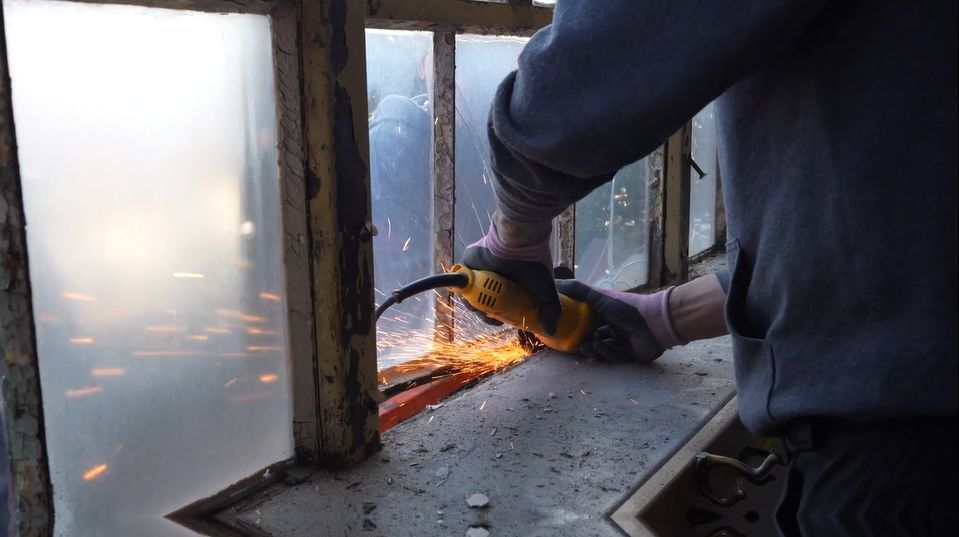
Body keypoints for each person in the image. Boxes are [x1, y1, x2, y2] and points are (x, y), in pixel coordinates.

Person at [461, 1, 958, 535]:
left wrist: (514, 231)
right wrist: (664, 316)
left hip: (899, 450)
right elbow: (907, 227)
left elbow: (605, 52)